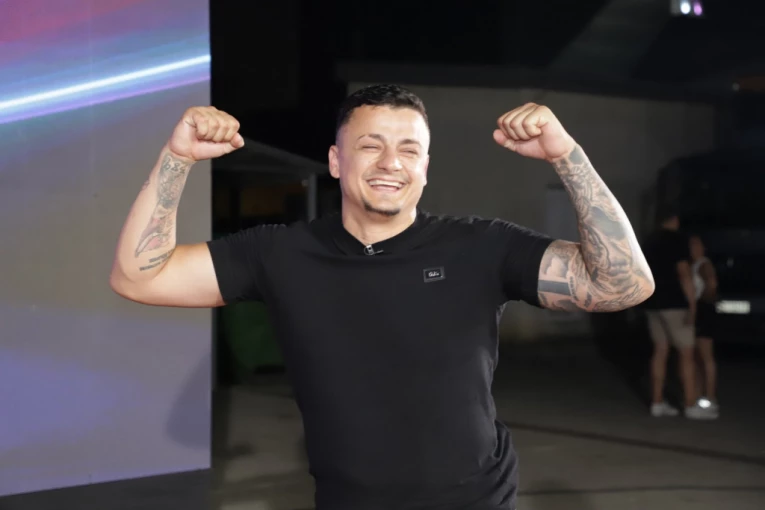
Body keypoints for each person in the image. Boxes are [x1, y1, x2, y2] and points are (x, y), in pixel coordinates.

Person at [110, 84, 655, 510]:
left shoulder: (481, 246)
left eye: (408, 150)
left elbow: (621, 284)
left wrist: (566, 155)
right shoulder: (279, 253)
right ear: (335, 161)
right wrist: (177, 157)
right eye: (370, 146)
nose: (391, 162)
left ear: (424, 168)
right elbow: (139, 278)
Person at [641, 212, 716, 420]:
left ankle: (657, 402)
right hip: (674, 304)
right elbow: (683, 273)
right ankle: (691, 405)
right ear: (675, 219)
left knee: (659, 351)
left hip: (652, 302)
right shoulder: (677, 240)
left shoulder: (649, 241)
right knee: (686, 354)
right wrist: (692, 306)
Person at [689, 234, 720, 417]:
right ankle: (700, 395)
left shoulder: (703, 264)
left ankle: (710, 397)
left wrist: (702, 301)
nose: (692, 247)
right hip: (699, 310)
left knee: (706, 356)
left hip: (703, 311)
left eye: (696, 244)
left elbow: (712, 283)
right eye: (691, 244)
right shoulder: (694, 264)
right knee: (696, 356)